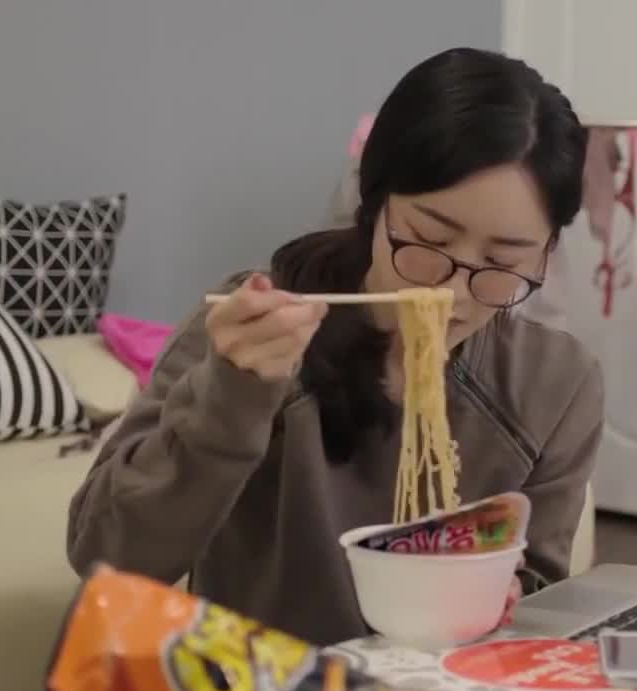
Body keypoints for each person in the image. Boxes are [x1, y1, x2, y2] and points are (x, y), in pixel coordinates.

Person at [65, 47, 604, 647]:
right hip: (264, 686)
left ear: (547, 253)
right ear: (373, 205)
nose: (451, 293)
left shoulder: (557, 383)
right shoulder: (254, 329)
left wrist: (509, 590)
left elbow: (541, 589)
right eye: (429, 239)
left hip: (455, 687)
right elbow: (106, 556)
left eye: (502, 262)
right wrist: (232, 397)